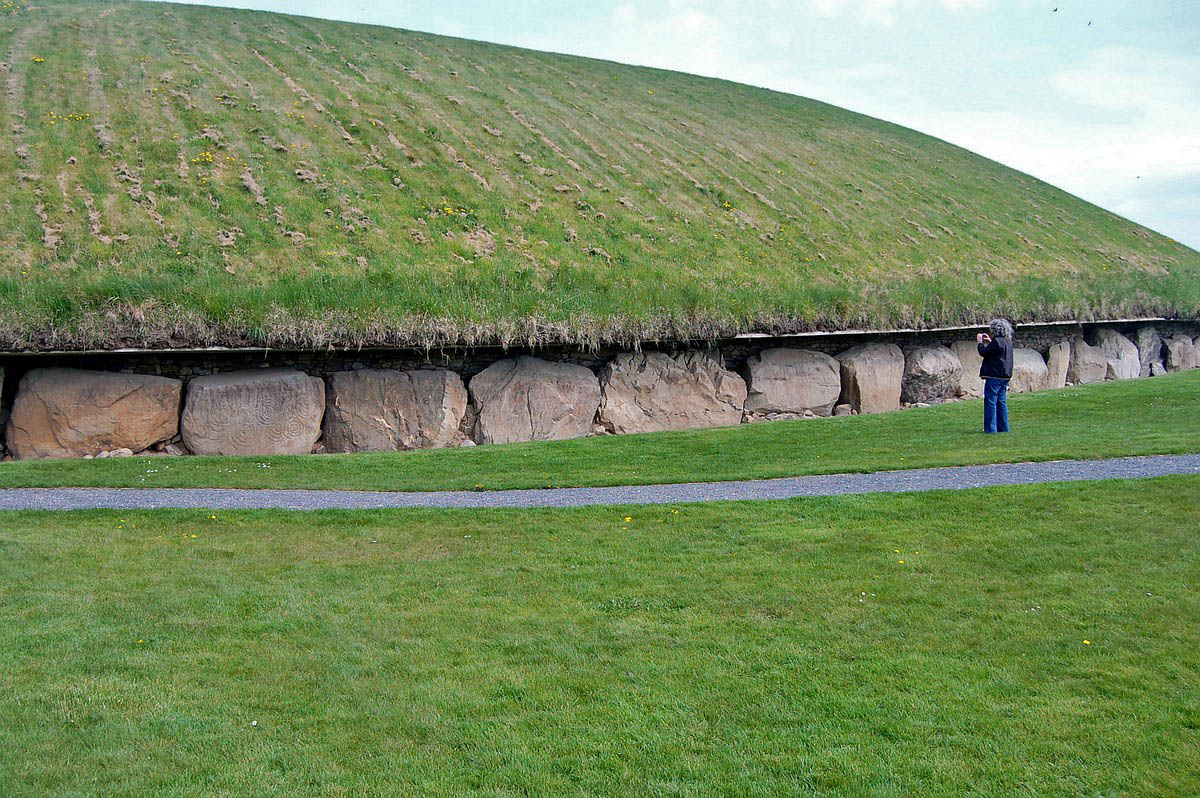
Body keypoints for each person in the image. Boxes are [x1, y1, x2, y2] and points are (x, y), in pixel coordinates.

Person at [977, 318, 1014, 433]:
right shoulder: (1008, 341)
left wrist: (980, 342)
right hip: (1005, 375)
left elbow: (984, 352)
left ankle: (990, 429)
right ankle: (1004, 427)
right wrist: (990, 341)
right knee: (1001, 401)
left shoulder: (996, 342)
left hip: (994, 376)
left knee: (991, 401)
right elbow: (997, 350)